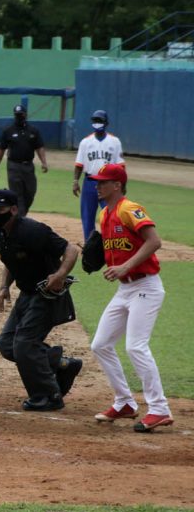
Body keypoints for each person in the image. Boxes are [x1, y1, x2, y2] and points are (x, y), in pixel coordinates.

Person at [88, 164, 173, 432]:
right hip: (124, 290)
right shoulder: (104, 213)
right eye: (97, 182)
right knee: (100, 344)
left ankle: (159, 409)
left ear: (117, 185)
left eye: (103, 182)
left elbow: (154, 241)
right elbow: (107, 246)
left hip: (146, 287)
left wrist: (126, 266)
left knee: (135, 347)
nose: (97, 186)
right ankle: (125, 402)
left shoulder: (129, 209)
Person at [0, 188, 84, 412]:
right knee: (7, 344)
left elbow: (70, 249)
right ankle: (63, 365)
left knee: (24, 345)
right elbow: (10, 260)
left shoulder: (33, 230)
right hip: (26, 294)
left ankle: (48, 396)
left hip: (46, 295)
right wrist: (4, 287)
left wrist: (59, 274)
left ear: (13, 210)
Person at [73, 110, 123, 241]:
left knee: (111, 213)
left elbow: (120, 166)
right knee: (87, 216)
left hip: (108, 183)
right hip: (89, 181)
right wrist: (75, 181)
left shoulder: (115, 141)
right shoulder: (85, 142)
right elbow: (79, 164)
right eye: (95, 121)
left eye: (99, 121)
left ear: (106, 123)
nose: (97, 123)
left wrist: (122, 184)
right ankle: (90, 246)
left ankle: (113, 240)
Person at [0, 105, 49, 216]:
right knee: (17, 194)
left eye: (21, 114)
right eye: (17, 115)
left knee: (30, 192)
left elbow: (39, 147)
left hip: (28, 166)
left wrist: (44, 162)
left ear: (25, 114)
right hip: (13, 166)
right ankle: (20, 219)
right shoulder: (8, 131)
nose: (19, 117)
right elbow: (1, 150)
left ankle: (21, 214)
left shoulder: (33, 131)